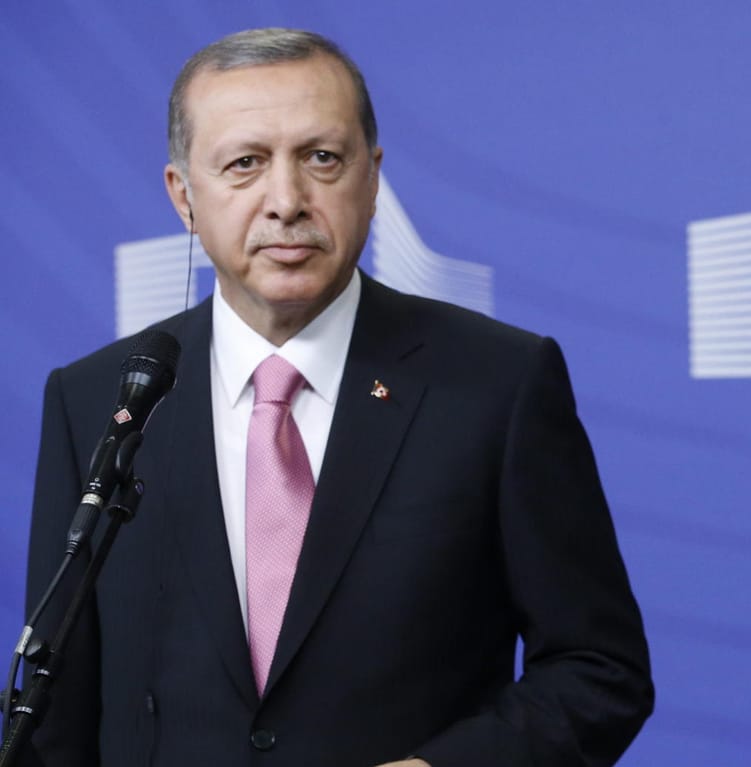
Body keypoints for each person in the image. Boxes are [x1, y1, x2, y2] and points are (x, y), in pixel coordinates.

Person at [22, 28, 652, 766]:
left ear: (373, 177)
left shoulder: (498, 382)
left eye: (322, 158)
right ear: (183, 196)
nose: (286, 200)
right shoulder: (98, 396)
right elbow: (53, 712)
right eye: (245, 163)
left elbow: (598, 670)